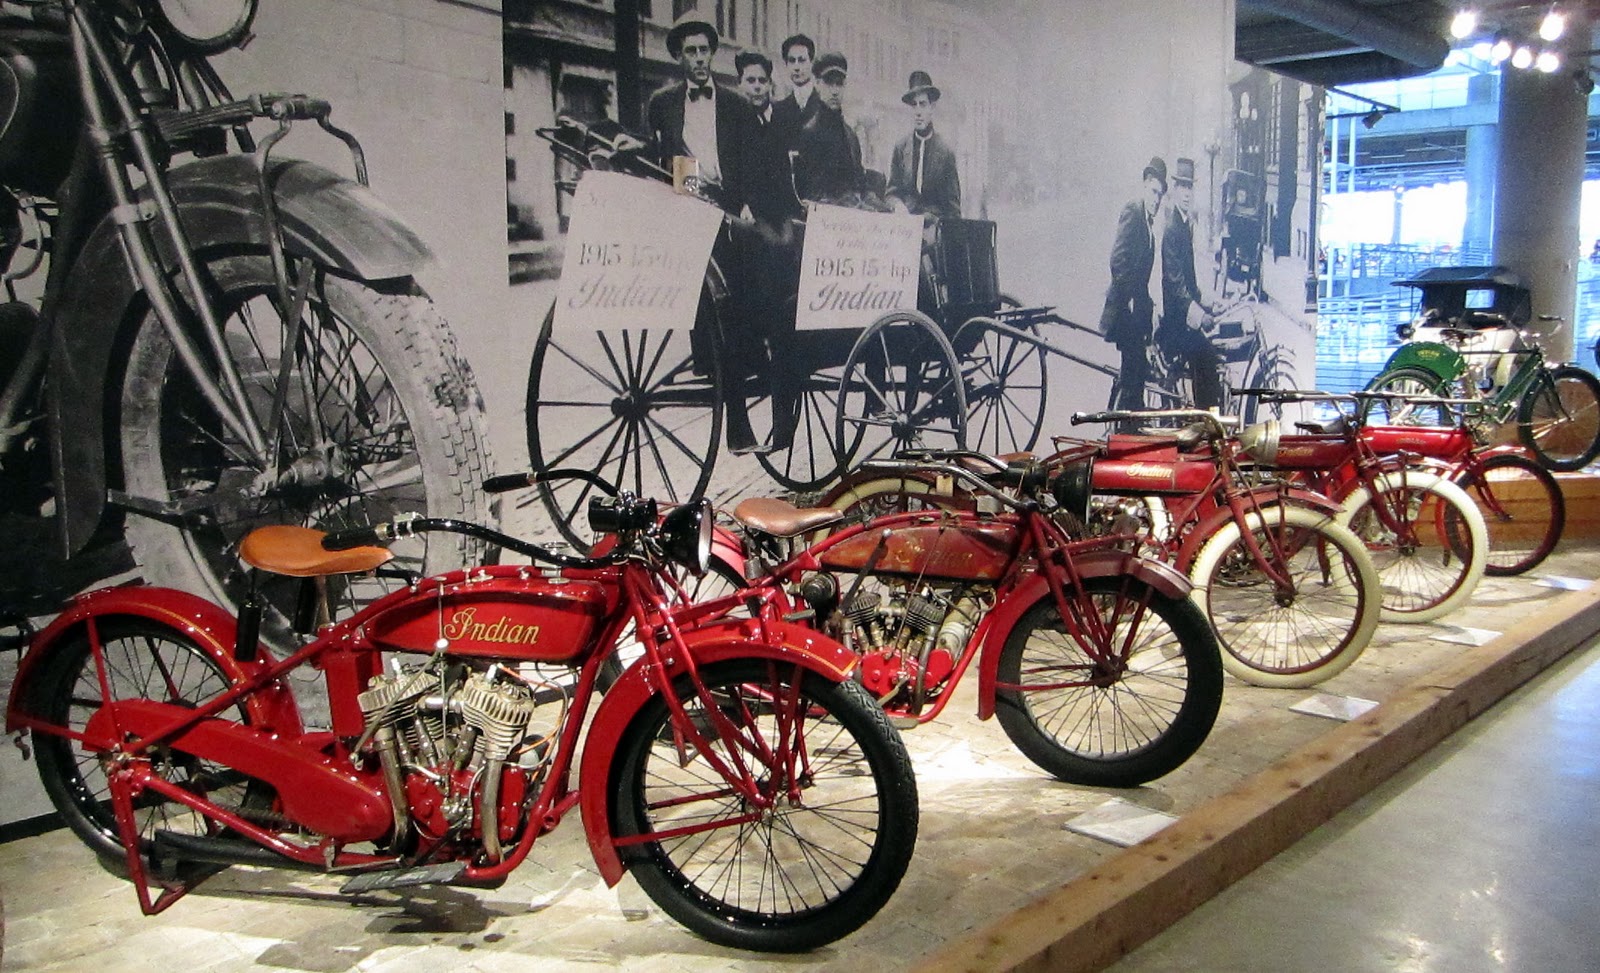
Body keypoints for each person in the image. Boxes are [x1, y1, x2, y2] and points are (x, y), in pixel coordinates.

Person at [644, 13, 753, 215]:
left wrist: (748, 204)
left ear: (712, 53)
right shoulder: (662, 102)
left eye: (704, 50)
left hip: (732, 204)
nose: (700, 58)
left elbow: (749, 161)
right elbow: (657, 152)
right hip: (686, 199)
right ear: (679, 56)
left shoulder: (737, 104)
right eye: (691, 52)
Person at [1100, 156, 1167, 412]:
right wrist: (1129, 300)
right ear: (1144, 185)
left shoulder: (1148, 222)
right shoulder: (1133, 211)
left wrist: (1149, 309)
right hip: (1124, 312)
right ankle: (1124, 432)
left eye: (1160, 195)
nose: (1156, 200)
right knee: (1133, 376)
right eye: (1153, 192)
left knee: (1135, 373)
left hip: (1136, 314)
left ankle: (1121, 419)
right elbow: (1118, 260)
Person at [1159, 157, 1224, 409]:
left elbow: (1190, 284)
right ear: (1174, 190)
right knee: (1207, 359)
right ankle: (1206, 422)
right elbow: (1176, 286)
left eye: (1190, 187)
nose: (1186, 194)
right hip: (1176, 325)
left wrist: (1210, 303)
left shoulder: (1184, 225)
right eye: (1182, 187)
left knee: (1214, 349)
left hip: (1184, 320)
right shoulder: (1173, 228)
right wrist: (1200, 315)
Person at [791, 51, 881, 208]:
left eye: (839, 83)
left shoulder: (850, 135)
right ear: (817, 84)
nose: (834, 91)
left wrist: (876, 202)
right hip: (825, 222)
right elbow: (812, 193)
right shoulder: (808, 134)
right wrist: (851, 203)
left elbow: (861, 183)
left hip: (852, 219)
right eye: (828, 83)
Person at [734, 49, 802, 225]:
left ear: (770, 84)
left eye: (762, 80)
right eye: (750, 80)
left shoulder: (787, 117)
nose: (757, 86)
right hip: (752, 217)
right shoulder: (734, 123)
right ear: (739, 84)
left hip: (788, 214)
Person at [886, 71, 960, 221]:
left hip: (934, 233)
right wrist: (898, 206)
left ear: (932, 108)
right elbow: (891, 193)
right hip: (905, 229)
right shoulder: (901, 148)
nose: (918, 112)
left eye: (923, 104)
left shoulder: (945, 153)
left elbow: (953, 209)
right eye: (914, 105)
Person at [771, 33, 820, 146]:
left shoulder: (822, 105)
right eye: (792, 61)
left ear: (812, 63)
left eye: (802, 60)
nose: (797, 67)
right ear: (786, 65)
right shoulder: (779, 110)